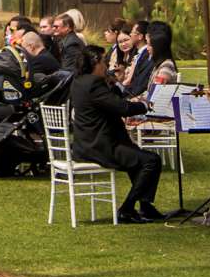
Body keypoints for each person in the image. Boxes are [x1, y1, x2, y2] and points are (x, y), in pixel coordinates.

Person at [69, 41, 163, 220]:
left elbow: (112, 100)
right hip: (100, 146)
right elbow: (122, 108)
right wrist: (144, 106)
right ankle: (127, 208)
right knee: (151, 161)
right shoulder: (95, 84)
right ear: (95, 63)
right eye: (104, 62)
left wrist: (115, 84)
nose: (107, 66)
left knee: (139, 158)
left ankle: (145, 206)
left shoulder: (79, 81)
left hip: (85, 144)